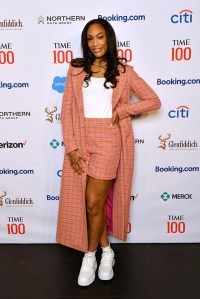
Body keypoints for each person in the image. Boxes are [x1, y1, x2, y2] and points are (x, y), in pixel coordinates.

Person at [56, 18, 161, 287]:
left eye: (100, 37)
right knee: (94, 204)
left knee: (92, 202)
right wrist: (72, 149)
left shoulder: (124, 71)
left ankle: (90, 256)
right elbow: (67, 113)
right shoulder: (76, 70)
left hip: (109, 141)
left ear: (109, 38)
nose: (95, 43)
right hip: (82, 140)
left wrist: (123, 110)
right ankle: (108, 252)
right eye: (90, 39)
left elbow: (153, 100)